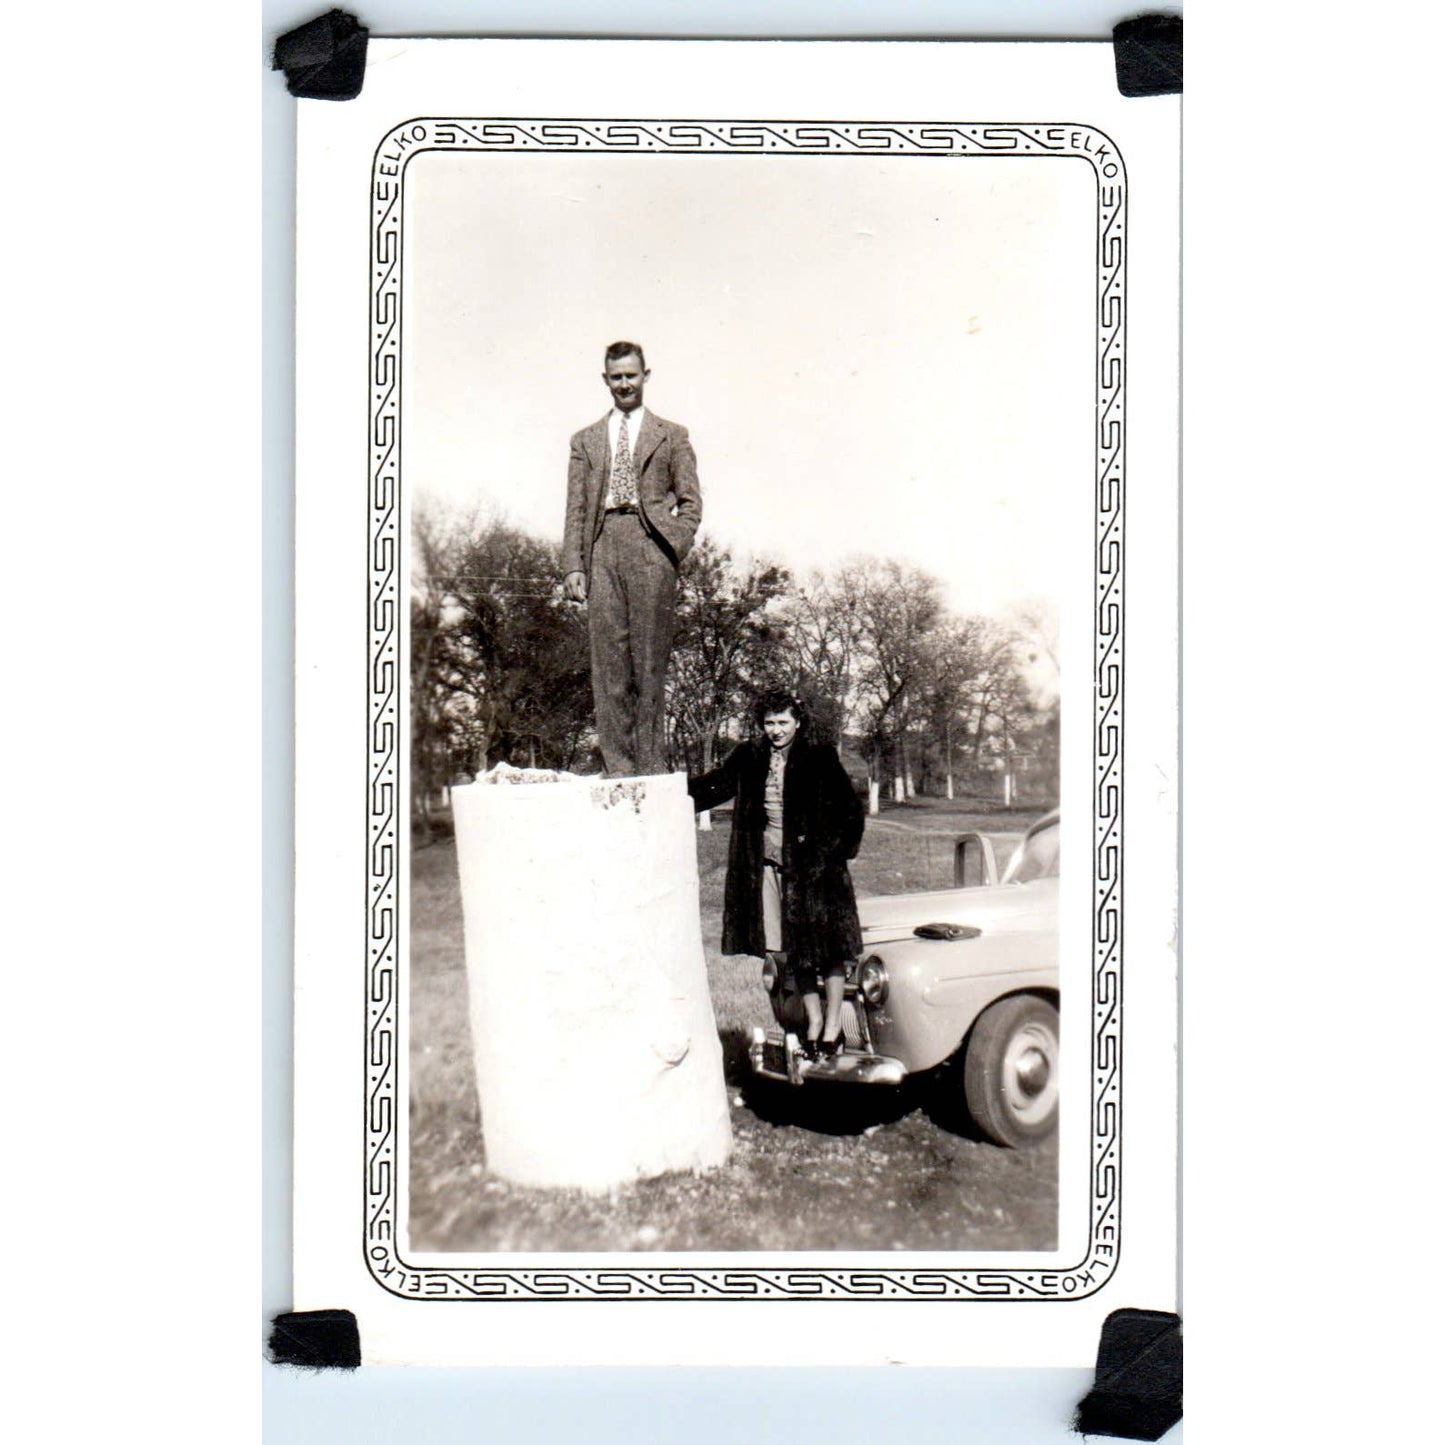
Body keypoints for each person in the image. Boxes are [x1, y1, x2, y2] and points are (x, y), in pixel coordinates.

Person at [687, 692, 865, 1059]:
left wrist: (830, 856)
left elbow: (851, 813)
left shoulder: (819, 756)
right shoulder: (749, 757)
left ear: (797, 722)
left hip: (817, 873)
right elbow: (713, 786)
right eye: (769, 723)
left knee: (829, 951)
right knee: (791, 949)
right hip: (770, 867)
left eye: (783, 722)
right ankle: (813, 1022)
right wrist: (668, 789)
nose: (776, 730)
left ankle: (834, 1027)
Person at [561, 341, 702, 777]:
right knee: (609, 668)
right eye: (616, 377)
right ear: (606, 380)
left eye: (631, 375)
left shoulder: (671, 434)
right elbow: (577, 508)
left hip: (649, 547)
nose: (624, 384)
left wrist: (669, 547)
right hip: (602, 547)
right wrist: (574, 565)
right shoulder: (584, 440)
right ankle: (618, 772)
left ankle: (650, 769)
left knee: (649, 662)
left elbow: (692, 503)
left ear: (645, 376)